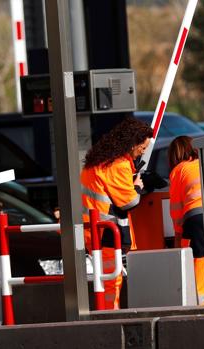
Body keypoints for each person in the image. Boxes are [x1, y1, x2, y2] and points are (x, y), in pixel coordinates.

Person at [80, 116, 153, 309]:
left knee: (104, 279)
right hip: (106, 233)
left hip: (94, 230)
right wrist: (136, 186)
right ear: (132, 143)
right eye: (142, 147)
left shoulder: (99, 161)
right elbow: (129, 202)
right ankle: (109, 319)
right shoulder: (117, 165)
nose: (142, 152)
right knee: (112, 281)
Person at [168, 135, 204, 305]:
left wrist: (178, 238)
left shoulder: (179, 171)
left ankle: (201, 308)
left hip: (196, 219)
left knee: (198, 265)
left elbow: (176, 209)